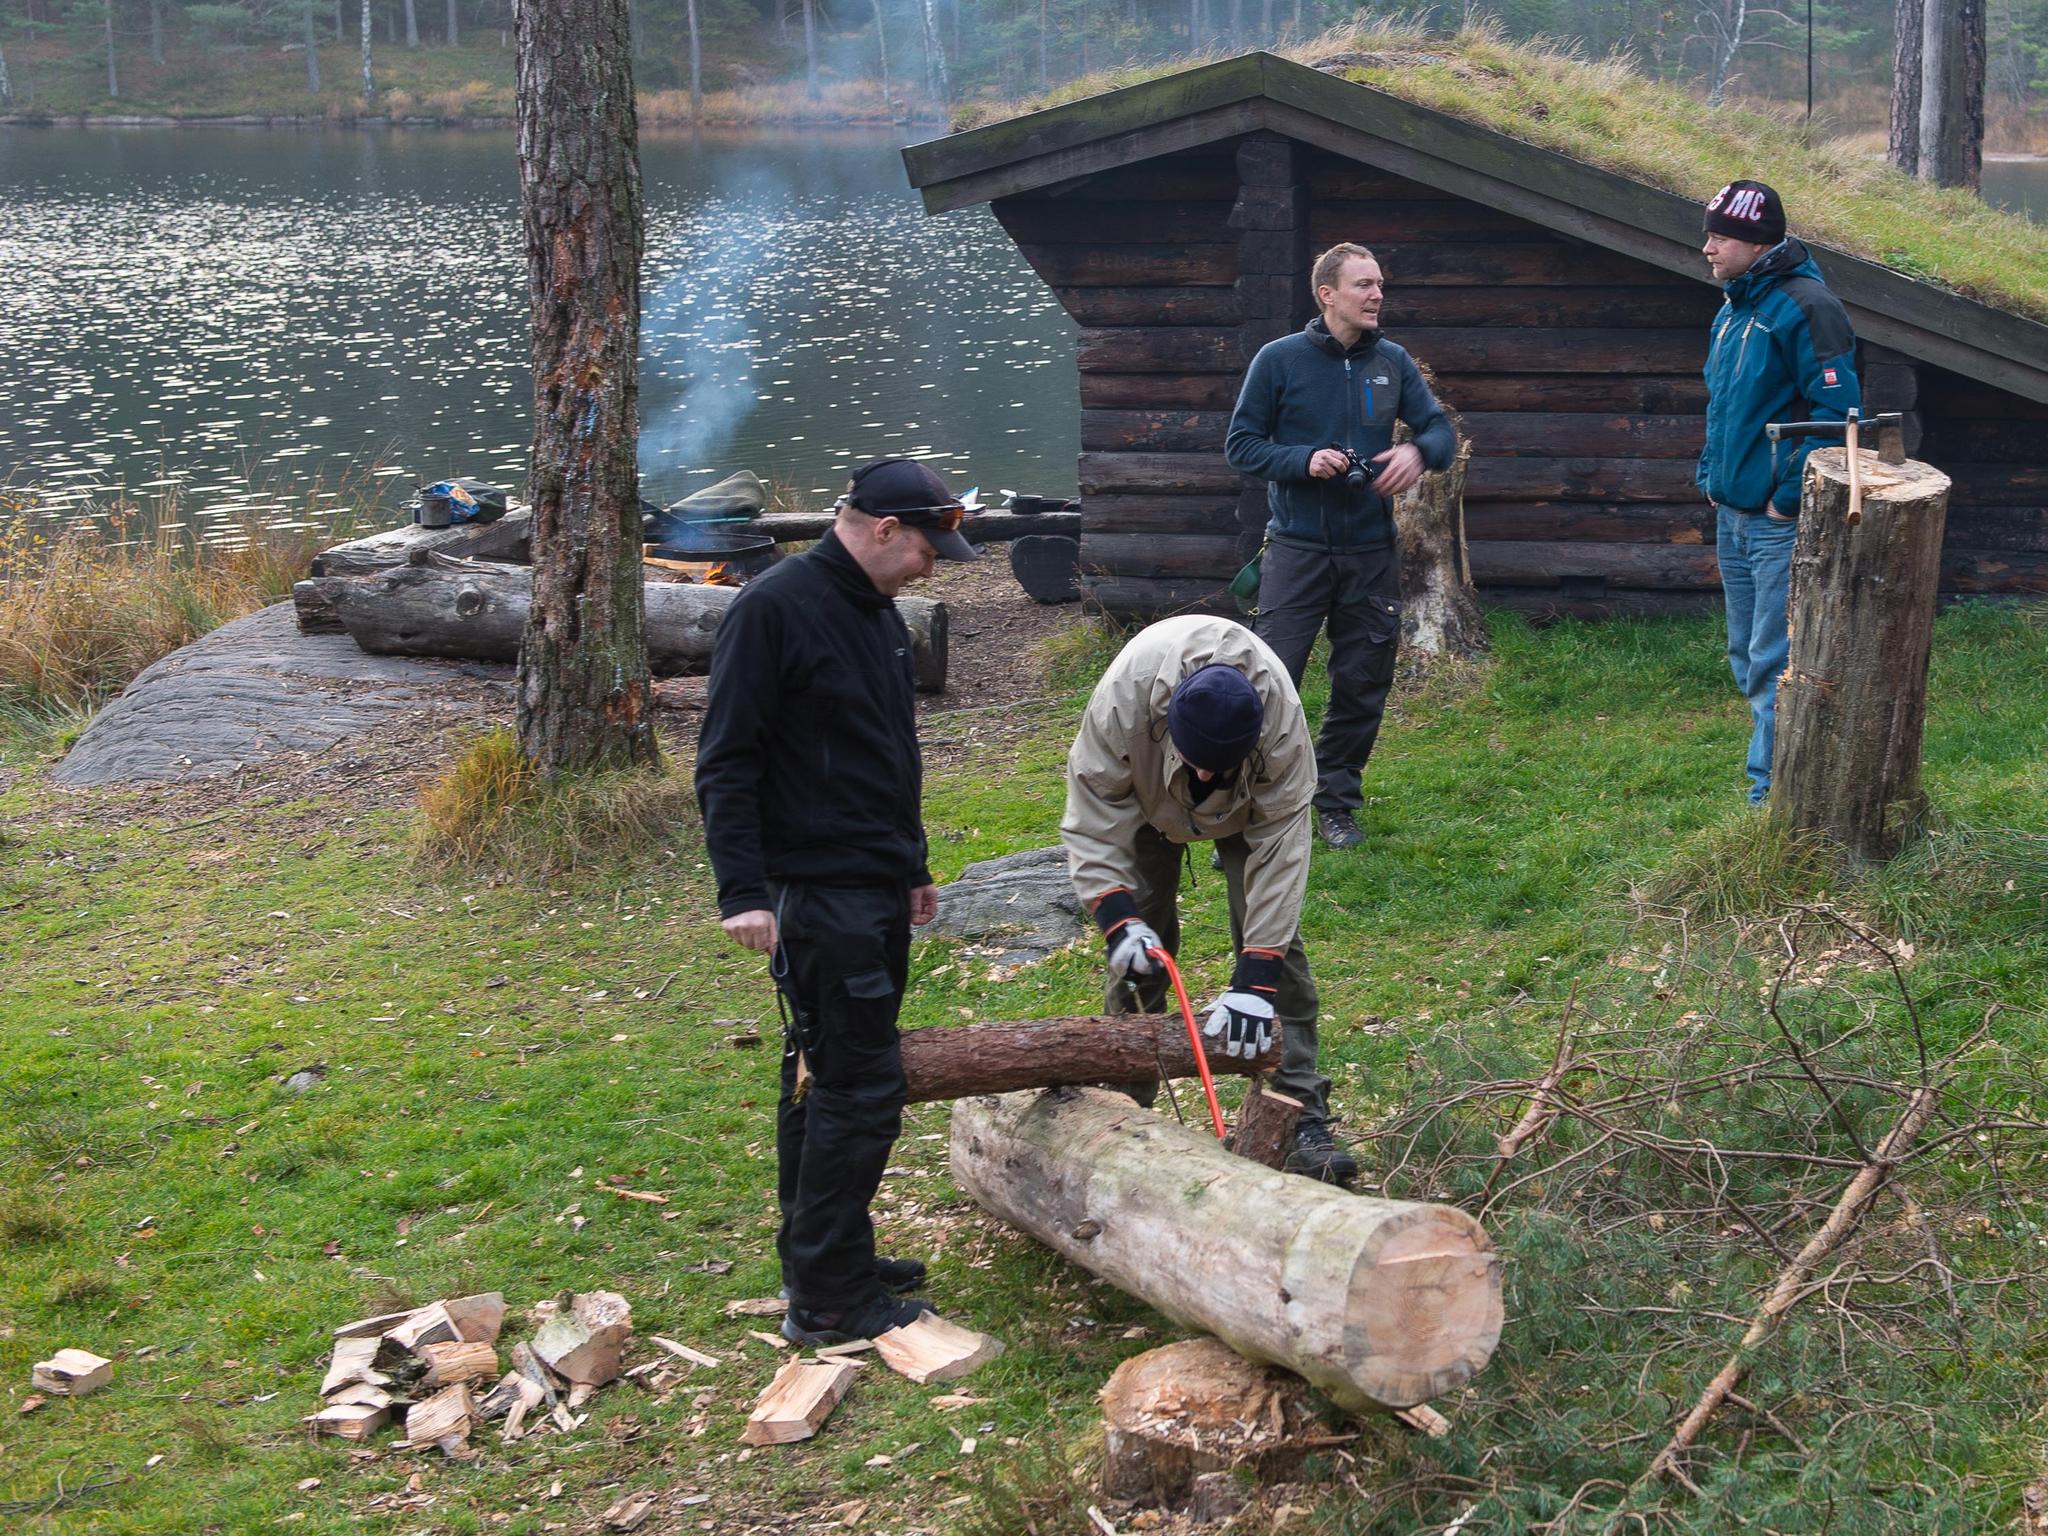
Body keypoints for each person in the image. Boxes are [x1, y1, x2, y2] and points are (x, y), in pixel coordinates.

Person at [694, 456, 977, 1345]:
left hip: (872, 881)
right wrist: (743, 890)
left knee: (829, 1078)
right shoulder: (774, 609)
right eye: (926, 550)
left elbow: (886, 754)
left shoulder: (878, 615)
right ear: (884, 530)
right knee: (857, 1086)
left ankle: (826, 1253)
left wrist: (910, 864)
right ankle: (828, 1298)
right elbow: (726, 760)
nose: (929, 569)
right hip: (816, 894)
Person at [1061, 614, 1356, 1184]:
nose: (1202, 773)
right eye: (1195, 759)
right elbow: (1093, 813)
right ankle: (1122, 1110)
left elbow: (1281, 856)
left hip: (1247, 809)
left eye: (1214, 766)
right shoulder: (1125, 699)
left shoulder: (1281, 729)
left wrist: (1256, 980)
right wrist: (1118, 919)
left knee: (1279, 952)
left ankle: (1301, 1112)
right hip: (1145, 799)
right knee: (1141, 951)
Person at [1225, 242, 1458, 851]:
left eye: (1379, 284)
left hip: (1371, 553)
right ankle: (1253, 813)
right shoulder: (1279, 360)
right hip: (1297, 550)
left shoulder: (1392, 362)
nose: (1377, 294)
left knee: (1362, 683)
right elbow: (1241, 446)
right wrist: (1304, 460)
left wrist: (1417, 450)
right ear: (1327, 294)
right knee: (1269, 684)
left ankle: (1335, 805)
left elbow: (1440, 431)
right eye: (1364, 285)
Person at [1698, 179, 1861, 805]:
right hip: (1733, 512)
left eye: (1720, 237)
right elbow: (1724, 406)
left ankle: (1772, 799)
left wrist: (1787, 497)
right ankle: (1779, 781)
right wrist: (1712, 477)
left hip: (1775, 521)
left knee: (1775, 659)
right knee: (1746, 654)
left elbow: (1838, 413)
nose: (1708, 248)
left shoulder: (1807, 306)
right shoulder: (1736, 306)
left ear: (1757, 242)